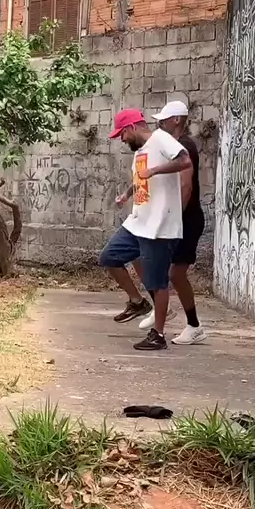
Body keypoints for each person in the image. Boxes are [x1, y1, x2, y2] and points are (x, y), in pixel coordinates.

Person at [99, 108, 192, 351]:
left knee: (157, 281)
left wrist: (154, 170)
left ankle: (158, 335)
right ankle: (137, 302)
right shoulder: (140, 150)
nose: (121, 139)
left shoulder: (161, 139)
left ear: (131, 127)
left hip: (159, 225)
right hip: (138, 222)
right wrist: (127, 194)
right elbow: (140, 178)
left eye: (122, 134)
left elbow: (184, 161)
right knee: (109, 257)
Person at [138, 101, 206, 345]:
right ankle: (162, 310)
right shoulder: (172, 145)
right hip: (179, 217)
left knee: (175, 274)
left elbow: (186, 186)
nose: (160, 123)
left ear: (176, 120)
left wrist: (176, 217)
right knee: (156, 265)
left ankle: (194, 326)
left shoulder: (184, 146)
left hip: (187, 219)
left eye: (164, 120)